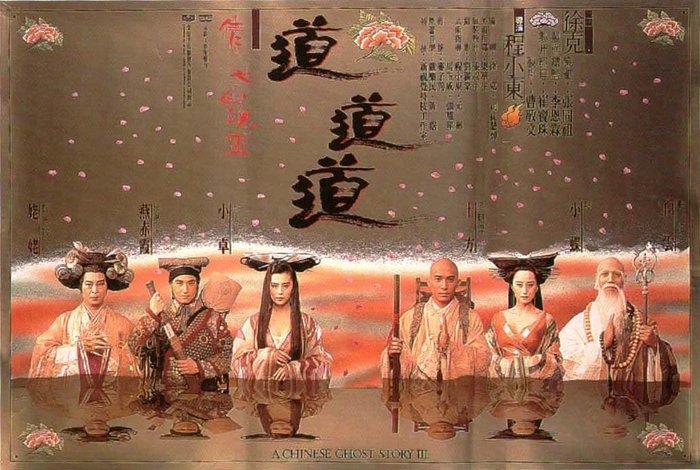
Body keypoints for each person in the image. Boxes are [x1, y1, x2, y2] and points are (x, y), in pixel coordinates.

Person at [559, 257, 678, 383]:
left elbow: (661, 370)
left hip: (631, 393)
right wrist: (602, 343)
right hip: (593, 393)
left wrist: (654, 345)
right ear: (597, 280)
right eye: (605, 274)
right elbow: (564, 362)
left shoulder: (642, 322)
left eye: (617, 275)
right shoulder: (578, 324)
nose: (610, 279)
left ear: (624, 280)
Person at [29, 243, 138, 379]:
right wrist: (77, 350)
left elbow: (138, 360)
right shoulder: (64, 322)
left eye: (100, 284)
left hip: (111, 390)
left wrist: (111, 353)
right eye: (88, 284)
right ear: (81, 287)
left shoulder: (122, 324)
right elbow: (42, 352)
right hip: (73, 390)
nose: (95, 290)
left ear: (107, 287)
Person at [128, 257, 233, 391]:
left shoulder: (213, 318)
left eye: (191, 283)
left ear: (197, 284)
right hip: (163, 394)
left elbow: (227, 356)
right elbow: (134, 347)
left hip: (204, 395)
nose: (185, 290)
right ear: (171, 285)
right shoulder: (158, 316)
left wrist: (200, 367)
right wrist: (152, 314)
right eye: (179, 283)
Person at [379, 258, 490, 380]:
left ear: (457, 283)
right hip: (418, 389)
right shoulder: (410, 318)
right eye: (438, 279)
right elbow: (399, 361)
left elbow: (483, 358)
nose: (444, 286)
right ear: (429, 282)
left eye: (450, 279)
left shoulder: (470, 318)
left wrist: (450, 348)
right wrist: (391, 355)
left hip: (455, 389)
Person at [231, 258, 332, 381]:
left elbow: (321, 363)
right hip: (261, 392)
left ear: (293, 287)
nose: (280, 292)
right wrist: (266, 356)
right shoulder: (253, 323)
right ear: (267, 287)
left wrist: (294, 369)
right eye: (274, 286)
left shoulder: (307, 324)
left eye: (285, 286)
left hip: (295, 391)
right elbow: (237, 361)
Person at [485, 252, 563, 380]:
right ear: (512, 287)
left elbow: (554, 358)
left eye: (530, 285)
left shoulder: (546, 320)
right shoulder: (497, 318)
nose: (525, 291)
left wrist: (520, 365)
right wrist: (503, 364)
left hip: (535, 386)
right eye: (519, 285)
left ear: (537, 287)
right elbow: (488, 354)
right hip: (503, 386)